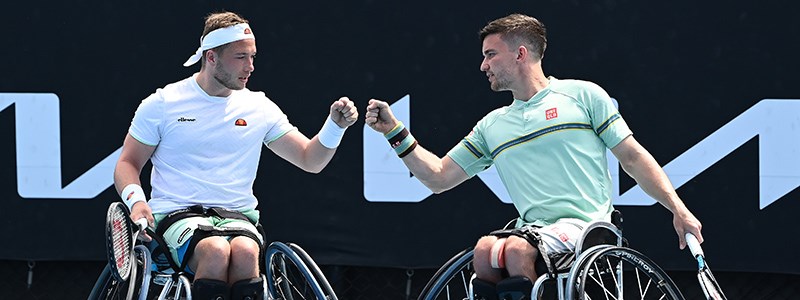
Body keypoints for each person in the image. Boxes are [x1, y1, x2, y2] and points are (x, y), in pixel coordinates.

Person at [365, 13, 702, 300]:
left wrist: (679, 208)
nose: (483, 65)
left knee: (513, 250)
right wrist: (395, 132)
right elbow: (437, 177)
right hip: (532, 230)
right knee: (484, 252)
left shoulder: (583, 95)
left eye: (490, 54)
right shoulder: (491, 126)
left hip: (588, 227)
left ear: (520, 54)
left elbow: (632, 157)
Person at [113, 11, 358, 300]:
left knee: (244, 252)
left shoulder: (259, 106)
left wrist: (335, 127)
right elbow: (128, 162)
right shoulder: (163, 103)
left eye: (253, 57)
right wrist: (137, 202)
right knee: (215, 251)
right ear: (211, 57)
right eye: (241, 57)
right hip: (177, 215)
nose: (250, 66)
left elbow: (310, 159)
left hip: (237, 218)